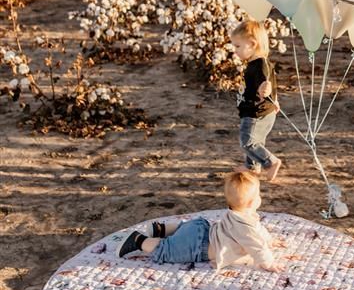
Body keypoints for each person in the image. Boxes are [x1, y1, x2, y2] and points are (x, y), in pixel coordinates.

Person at [117, 171, 285, 272]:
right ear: (252, 202)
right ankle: (139, 241)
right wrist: (268, 263)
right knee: (167, 249)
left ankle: (161, 229)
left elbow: (259, 231)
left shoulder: (236, 213)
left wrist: (269, 240)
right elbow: (256, 247)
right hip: (199, 246)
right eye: (258, 196)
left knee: (183, 230)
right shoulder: (245, 226)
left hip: (201, 228)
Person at [230, 19, 282, 182]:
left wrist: (265, 89)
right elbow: (273, 82)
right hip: (264, 111)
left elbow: (266, 82)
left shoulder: (259, 65)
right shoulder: (259, 63)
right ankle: (252, 166)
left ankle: (270, 162)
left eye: (238, 46)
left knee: (248, 141)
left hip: (256, 113)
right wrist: (275, 99)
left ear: (252, 44)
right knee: (257, 140)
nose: (235, 50)